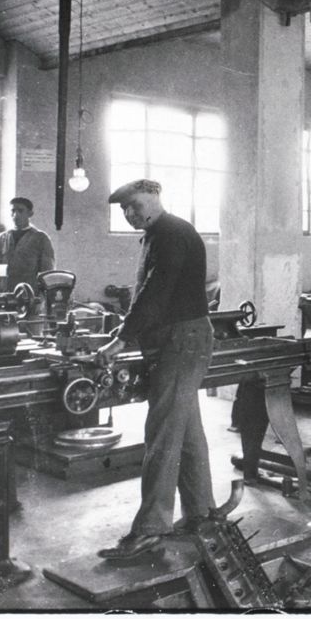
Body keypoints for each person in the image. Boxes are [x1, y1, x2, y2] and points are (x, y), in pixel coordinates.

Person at [95, 179, 217, 560]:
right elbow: (148, 294)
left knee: (162, 433)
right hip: (175, 340)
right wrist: (125, 330)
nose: (129, 215)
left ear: (152, 199)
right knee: (187, 430)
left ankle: (151, 529)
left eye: (133, 207)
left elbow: (155, 293)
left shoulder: (172, 234)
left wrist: (120, 339)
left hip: (182, 341)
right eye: (123, 210)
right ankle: (202, 514)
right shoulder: (157, 234)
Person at [0, 196, 55, 293]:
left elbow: (47, 271)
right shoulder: (1, 239)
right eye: (13, 211)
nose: (15, 215)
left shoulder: (41, 238)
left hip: (29, 294)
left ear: (30, 214)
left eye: (20, 211)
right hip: (4, 293)